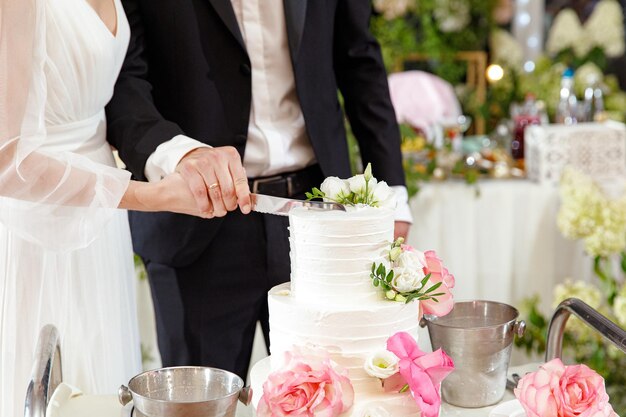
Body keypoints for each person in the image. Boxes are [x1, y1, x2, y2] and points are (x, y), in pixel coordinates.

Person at [106, 0, 413, 380]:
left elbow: (359, 60)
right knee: (202, 401)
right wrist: (178, 155)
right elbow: (123, 81)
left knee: (330, 392)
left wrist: (393, 194)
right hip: (196, 217)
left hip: (316, 215)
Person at [0, 0, 250, 415]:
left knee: (104, 383)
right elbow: (7, 161)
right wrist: (150, 196)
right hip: (39, 233)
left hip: (100, 229)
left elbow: (124, 102)